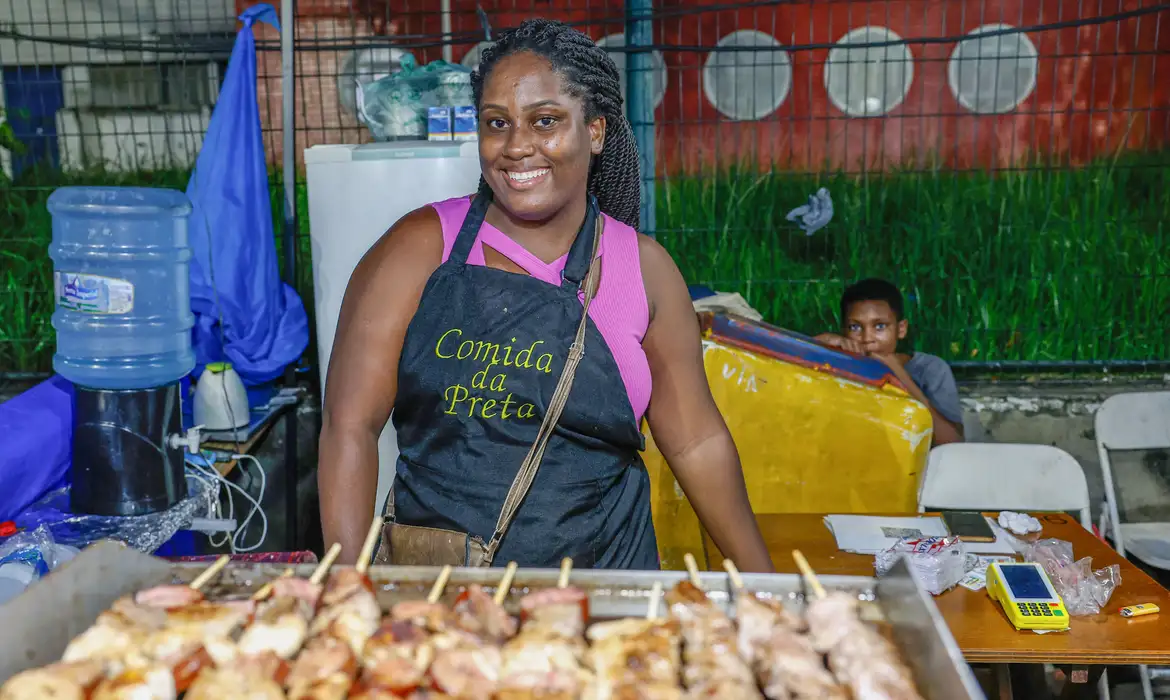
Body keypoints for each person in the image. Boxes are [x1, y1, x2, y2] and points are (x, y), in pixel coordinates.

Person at [318, 19, 773, 571]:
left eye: (545, 121)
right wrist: (344, 585)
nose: (516, 147)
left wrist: (763, 584)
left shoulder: (643, 270)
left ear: (596, 131)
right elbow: (349, 427)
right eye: (497, 123)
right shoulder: (416, 249)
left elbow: (696, 443)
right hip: (444, 599)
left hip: (608, 596)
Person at [815, 278, 965, 445]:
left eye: (880, 326)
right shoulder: (836, 363)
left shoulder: (929, 369)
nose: (867, 339)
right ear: (843, 331)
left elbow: (953, 441)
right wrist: (816, 346)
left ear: (901, 329)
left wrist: (900, 377)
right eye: (855, 327)